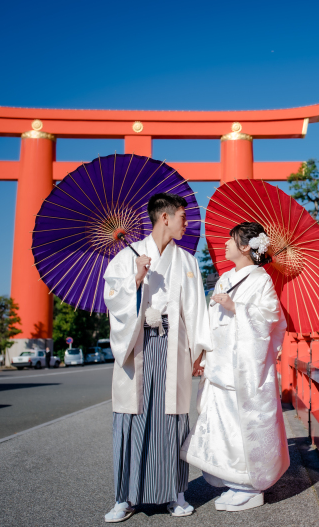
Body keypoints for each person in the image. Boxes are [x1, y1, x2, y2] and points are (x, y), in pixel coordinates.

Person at [102, 193, 211, 523]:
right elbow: (112, 299)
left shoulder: (187, 261)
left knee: (171, 418)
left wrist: (199, 352)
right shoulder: (126, 257)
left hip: (173, 344)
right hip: (137, 343)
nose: (186, 223)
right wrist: (135, 279)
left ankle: (176, 494)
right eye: (183, 216)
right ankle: (124, 497)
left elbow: (196, 309)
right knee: (133, 417)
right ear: (165, 217)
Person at [182, 222, 289, 512]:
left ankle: (251, 486)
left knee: (243, 426)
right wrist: (202, 357)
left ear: (245, 247)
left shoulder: (261, 280)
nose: (226, 245)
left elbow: (271, 319)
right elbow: (212, 322)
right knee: (221, 426)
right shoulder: (225, 278)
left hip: (244, 368)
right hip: (219, 363)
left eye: (231, 240)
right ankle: (233, 481)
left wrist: (235, 308)